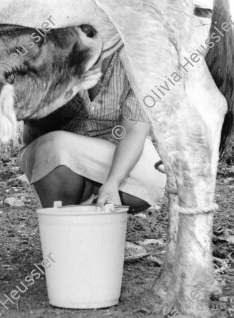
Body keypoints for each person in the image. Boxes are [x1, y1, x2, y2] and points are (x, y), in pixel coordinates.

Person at [18, 51, 166, 214]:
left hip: (111, 143)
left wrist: (113, 182)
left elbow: (134, 129)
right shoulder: (50, 47)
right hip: (56, 150)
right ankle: (65, 218)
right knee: (57, 147)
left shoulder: (138, 53)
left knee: (149, 180)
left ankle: (94, 201)